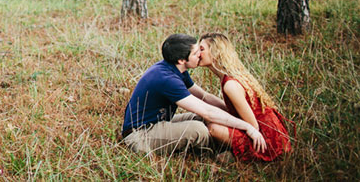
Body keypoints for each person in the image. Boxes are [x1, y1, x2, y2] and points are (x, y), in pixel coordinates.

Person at [121, 33, 266, 156]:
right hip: (140, 134)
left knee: (200, 119)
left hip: (160, 122)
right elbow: (208, 112)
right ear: (182, 60)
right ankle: (229, 152)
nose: (200, 55)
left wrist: (233, 113)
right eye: (196, 53)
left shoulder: (177, 69)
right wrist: (248, 127)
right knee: (199, 129)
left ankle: (230, 143)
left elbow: (204, 97)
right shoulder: (167, 79)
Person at [198, 33, 292, 161]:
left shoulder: (230, 85)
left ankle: (243, 155)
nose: (197, 53)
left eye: (202, 49)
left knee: (213, 127)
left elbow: (253, 125)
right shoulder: (228, 76)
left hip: (267, 139)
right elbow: (228, 109)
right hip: (272, 134)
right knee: (213, 118)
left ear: (215, 53)